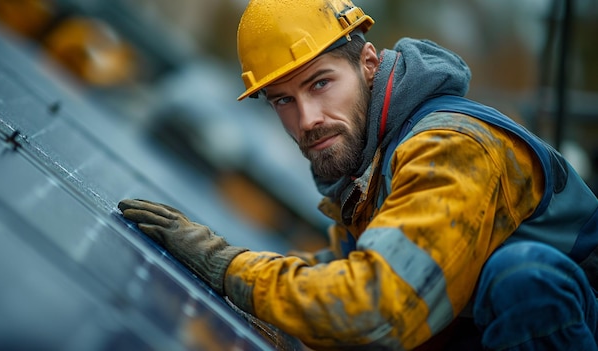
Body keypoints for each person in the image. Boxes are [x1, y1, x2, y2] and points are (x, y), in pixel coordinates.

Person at [118, 0, 598, 349]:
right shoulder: (369, 169)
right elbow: (336, 292)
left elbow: (374, 309)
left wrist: (226, 265)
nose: (307, 119)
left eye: (320, 83)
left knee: (520, 277)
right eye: (284, 100)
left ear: (369, 64)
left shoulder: (451, 149)